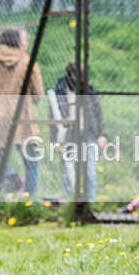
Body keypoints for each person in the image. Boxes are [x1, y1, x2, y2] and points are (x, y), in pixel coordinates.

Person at [0, 27, 44, 197]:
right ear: (18, 43)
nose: (27, 43)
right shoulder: (28, 64)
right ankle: (29, 200)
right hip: (22, 119)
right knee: (32, 161)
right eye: (25, 40)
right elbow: (38, 95)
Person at [53, 62, 108, 202]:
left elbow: (98, 114)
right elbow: (54, 118)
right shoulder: (60, 91)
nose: (82, 80)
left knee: (90, 172)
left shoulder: (89, 90)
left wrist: (102, 134)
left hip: (88, 134)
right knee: (69, 171)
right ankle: (69, 201)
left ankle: (90, 203)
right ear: (70, 75)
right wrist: (56, 141)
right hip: (69, 135)